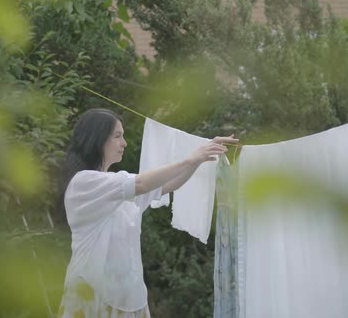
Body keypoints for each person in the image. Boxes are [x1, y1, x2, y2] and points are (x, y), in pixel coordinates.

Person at [57, 108, 239, 318]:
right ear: (96, 139)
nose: (124, 143)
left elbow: (169, 185)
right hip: (92, 296)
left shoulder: (117, 187)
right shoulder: (84, 183)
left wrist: (202, 154)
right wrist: (190, 158)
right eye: (117, 136)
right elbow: (143, 183)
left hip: (131, 299)